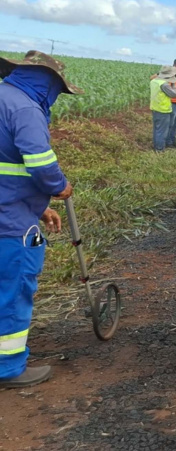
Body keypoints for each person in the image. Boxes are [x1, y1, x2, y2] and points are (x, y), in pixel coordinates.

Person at [0, 50, 81, 389]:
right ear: (47, 83)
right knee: (14, 288)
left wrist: (39, 207)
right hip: (10, 222)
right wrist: (58, 188)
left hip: (12, 205)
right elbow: (39, 163)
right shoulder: (26, 109)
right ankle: (9, 368)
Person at [150, 66, 176, 152]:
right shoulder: (164, 84)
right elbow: (174, 94)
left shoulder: (154, 81)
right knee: (162, 131)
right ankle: (159, 149)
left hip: (155, 108)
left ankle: (156, 146)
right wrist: (173, 84)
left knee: (157, 129)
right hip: (163, 110)